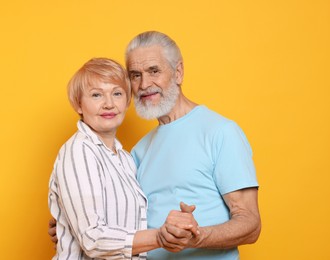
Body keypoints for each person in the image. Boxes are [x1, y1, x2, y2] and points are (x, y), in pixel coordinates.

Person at [50, 31, 261, 259]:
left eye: (154, 71)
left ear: (178, 72)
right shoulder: (136, 151)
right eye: (135, 75)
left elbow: (250, 223)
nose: (144, 84)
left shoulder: (220, 132)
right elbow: (116, 216)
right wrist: (68, 221)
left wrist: (197, 236)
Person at [48, 57, 198, 259]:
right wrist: (161, 236)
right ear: (79, 104)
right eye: (96, 95)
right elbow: (93, 240)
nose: (109, 104)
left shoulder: (125, 159)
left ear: (127, 101)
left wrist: (180, 224)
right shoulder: (79, 151)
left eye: (117, 94)